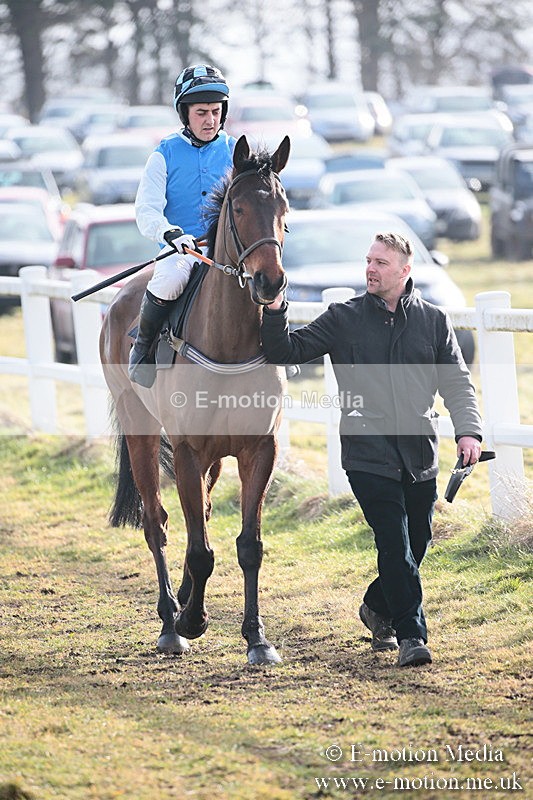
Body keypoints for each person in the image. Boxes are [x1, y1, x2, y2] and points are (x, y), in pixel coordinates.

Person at [260, 232, 483, 667]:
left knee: (418, 541)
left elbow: (457, 383)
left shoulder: (434, 321)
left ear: (404, 271)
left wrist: (468, 432)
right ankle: (411, 636)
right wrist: (273, 309)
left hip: (418, 454)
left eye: (381, 262)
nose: (371, 269)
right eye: (368, 260)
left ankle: (375, 607)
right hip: (365, 453)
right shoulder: (343, 318)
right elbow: (287, 349)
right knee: (394, 543)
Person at [129, 64, 237, 387]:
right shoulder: (163, 155)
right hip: (182, 250)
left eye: (216, 112)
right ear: (185, 115)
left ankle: (277, 354)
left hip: (227, 251)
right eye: (202, 112)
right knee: (171, 276)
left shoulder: (234, 151)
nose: (210, 120)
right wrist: (170, 233)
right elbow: (146, 210)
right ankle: (143, 350)